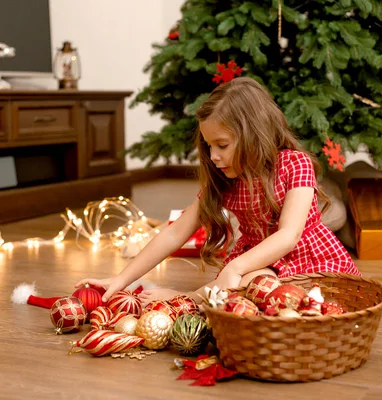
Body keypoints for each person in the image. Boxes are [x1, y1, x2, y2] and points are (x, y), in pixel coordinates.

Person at [76, 77, 360, 305]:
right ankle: (202, 299)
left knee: (251, 282)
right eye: (209, 146)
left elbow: (288, 236)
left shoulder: (294, 163)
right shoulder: (226, 179)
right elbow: (175, 232)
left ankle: (185, 301)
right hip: (256, 263)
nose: (213, 156)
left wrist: (235, 269)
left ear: (253, 135)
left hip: (305, 261)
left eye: (222, 145)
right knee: (249, 282)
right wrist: (121, 279)